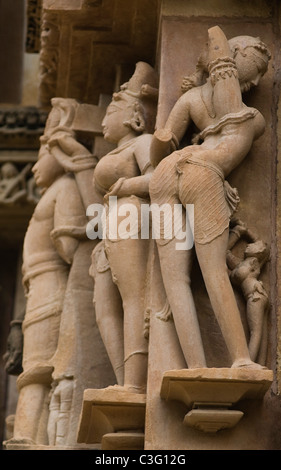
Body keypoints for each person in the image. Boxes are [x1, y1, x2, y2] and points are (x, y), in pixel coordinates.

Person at [149, 26, 271, 369]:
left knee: (183, 278)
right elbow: (162, 147)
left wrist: (217, 48)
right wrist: (162, 138)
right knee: (207, 272)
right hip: (191, 174)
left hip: (176, 174)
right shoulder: (244, 117)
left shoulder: (247, 117)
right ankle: (234, 361)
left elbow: (223, 85)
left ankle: (208, 366)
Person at [91, 62, 158, 393]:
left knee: (134, 297)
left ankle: (134, 384)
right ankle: (122, 380)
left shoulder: (141, 142)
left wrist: (126, 186)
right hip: (111, 222)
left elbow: (160, 177)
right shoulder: (121, 148)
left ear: (134, 116)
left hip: (132, 216)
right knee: (104, 307)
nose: (104, 120)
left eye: (112, 109)